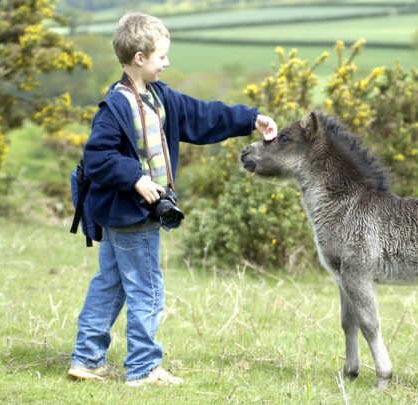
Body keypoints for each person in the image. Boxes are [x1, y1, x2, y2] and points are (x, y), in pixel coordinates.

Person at [67, 12, 277, 387]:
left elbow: (204, 115)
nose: (167, 62)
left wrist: (252, 118)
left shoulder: (159, 97)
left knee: (110, 284)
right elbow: (97, 157)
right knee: (148, 290)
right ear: (139, 58)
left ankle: (86, 359)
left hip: (121, 215)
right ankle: (144, 369)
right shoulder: (115, 107)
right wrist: (135, 178)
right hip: (133, 214)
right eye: (161, 56)